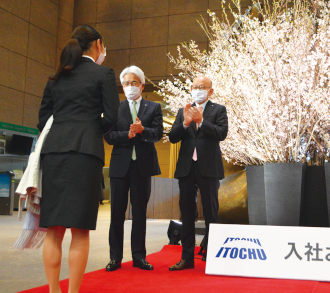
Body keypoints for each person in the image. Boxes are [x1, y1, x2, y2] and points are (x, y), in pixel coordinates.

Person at [37, 25, 119, 293]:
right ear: (97, 44)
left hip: (54, 153)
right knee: (80, 230)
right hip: (86, 153)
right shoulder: (103, 73)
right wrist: (94, 130)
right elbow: (112, 116)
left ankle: (52, 290)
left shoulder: (56, 77)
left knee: (54, 229)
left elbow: (43, 120)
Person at [104, 65, 163, 271]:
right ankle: (115, 258)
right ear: (122, 86)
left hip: (142, 167)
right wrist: (126, 135)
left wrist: (142, 130)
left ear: (142, 84)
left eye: (134, 83)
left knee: (139, 213)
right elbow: (109, 136)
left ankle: (139, 257)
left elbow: (157, 133)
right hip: (120, 167)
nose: (130, 87)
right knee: (117, 214)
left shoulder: (153, 107)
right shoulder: (115, 108)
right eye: (126, 83)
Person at [168, 75, 228, 270]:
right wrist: (185, 123)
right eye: (194, 86)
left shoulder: (218, 109)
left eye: (202, 87)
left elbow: (221, 133)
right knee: (186, 212)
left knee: (211, 211)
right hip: (187, 167)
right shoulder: (182, 110)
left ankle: (213, 255)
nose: (197, 89)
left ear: (210, 91)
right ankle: (187, 258)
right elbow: (173, 137)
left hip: (208, 167)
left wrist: (202, 122)